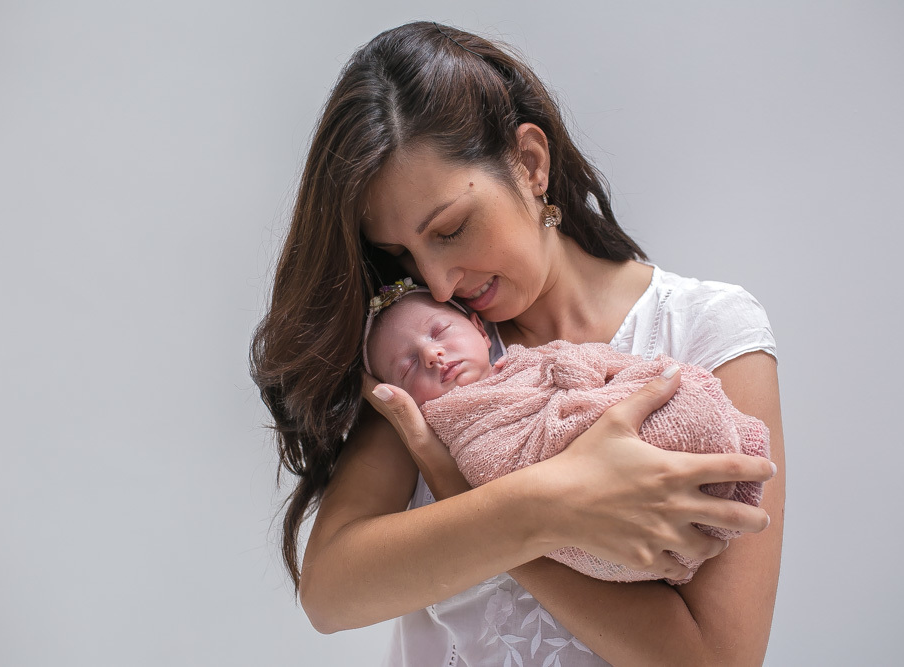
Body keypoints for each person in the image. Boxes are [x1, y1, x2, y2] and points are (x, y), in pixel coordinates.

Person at [250, 21, 784, 666]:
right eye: (401, 254)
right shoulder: (436, 361)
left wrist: (471, 499)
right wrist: (551, 500)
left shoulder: (706, 331)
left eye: (449, 229)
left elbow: (719, 661)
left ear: (530, 163)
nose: (439, 284)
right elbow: (332, 592)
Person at [363, 279, 770, 585]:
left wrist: (580, 371)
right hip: (577, 495)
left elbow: (605, 364)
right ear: (402, 396)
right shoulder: (460, 427)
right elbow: (498, 467)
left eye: (439, 333)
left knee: (679, 400)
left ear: (480, 330)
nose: (431, 355)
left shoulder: (527, 360)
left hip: (611, 436)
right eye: (408, 366)